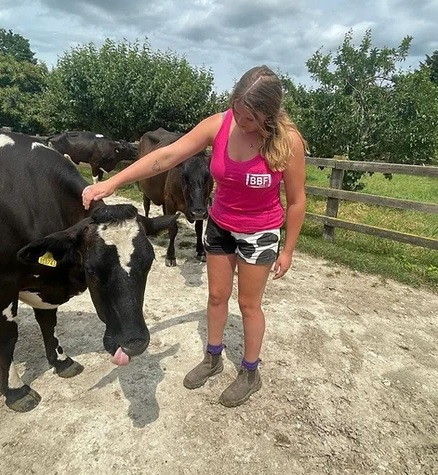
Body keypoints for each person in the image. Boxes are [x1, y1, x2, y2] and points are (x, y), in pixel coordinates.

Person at [82, 65, 307, 407]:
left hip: (260, 232)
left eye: (250, 119)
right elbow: (165, 157)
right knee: (216, 297)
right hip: (220, 226)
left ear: (270, 114)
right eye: (237, 112)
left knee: (248, 305)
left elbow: (297, 200)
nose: (241, 123)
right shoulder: (219, 124)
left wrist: (288, 249)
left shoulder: (287, 141)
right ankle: (212, 357)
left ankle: (250, 371)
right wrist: (113, 182)